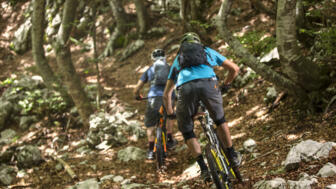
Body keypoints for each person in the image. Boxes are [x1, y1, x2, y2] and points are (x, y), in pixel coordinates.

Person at [163, 32, 241, 181]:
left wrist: (171, 113)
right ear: (198, 43)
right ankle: (232, 154)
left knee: (187, 130)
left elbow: (167, 94)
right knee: (219, 120)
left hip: (185, 90)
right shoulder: (207, 51)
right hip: (209, 84)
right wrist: (226, 85)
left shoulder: (178, 60)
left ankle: (204, 169)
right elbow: (234, 69)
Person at [134, 49, 177, 160]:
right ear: (165, 57)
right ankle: (170, 139)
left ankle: (150, 150)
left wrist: (137, 95)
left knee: (150, 124)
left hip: (153, 98)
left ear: (152, 59)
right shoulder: (170, 68)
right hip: (169, 97)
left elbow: (137, 88)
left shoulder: (150, 70)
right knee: (169, 115)